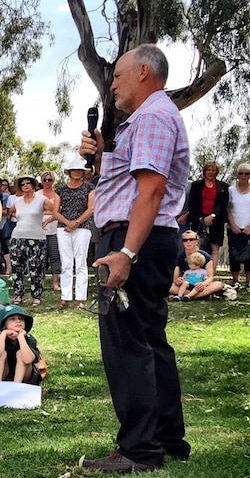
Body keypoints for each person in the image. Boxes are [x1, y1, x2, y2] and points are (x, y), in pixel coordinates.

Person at [79, 44, 190, 472]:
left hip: (135, 240)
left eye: (119, 76)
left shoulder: (153, 117)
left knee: (128, 344)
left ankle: (139, 449)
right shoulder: (147, 120)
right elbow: (130, 184)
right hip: (144, 239)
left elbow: (151, 192)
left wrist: (126, 252)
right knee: (149, 338)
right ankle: (165, 439)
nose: (113, 84)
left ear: (144, 71)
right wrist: (105, 151)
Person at [53, 158, 95, 309]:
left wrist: (76, 223)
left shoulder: (90, 188)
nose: (77, 172)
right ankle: (65, 297)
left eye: (80, 170)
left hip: (82, 228)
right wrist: (67, 223)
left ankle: (80, 298)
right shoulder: (60, 190)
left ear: (83, 172)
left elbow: (91, 209)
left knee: (81, 262)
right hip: (63, 228)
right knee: (66, 263)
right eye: (74, 170)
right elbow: (55, 211)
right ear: (69, 172)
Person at [8, 175, 55, 306]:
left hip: (37, 238)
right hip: (17, 237)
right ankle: (18, 295)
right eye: (22, 184)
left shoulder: (41, 200)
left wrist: (47, 221)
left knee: (36, 268)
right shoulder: (17, 202)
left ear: (33, 185)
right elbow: (9, 213)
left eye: (28, 183)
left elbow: (57, 211)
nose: (26, 186)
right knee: (17, 268)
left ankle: (37, 296)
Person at [187, 162, 230, 264]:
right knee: (196, 246)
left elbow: (223, 204)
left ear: (217, 172)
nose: (211, 172)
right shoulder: (196, 185)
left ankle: (211, 275)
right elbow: (193, 203)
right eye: (209, 170)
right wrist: (202, 218)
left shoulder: (223, 186)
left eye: (213, 170)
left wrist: (213, 215)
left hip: (216, 221)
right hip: (199, 221)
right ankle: (196, 272)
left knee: (215, 248)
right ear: (205, 171)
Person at [168, 230, 226, 301]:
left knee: (218, 284)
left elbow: (210, 277)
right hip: (185, 285)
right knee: (169, 286)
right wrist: (178, 280)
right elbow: (175, 278)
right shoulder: (179, 258)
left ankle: (186, 296)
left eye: (191, 239)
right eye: (185, 240)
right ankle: (199, 296)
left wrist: (203, 284)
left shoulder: (205, 256)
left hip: (201, 285)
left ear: (197, 241)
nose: (188, 242)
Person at [0, 304, 41, 385]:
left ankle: (16, 386)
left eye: (21, 319)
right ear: (4, 325)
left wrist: (21, 337)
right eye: (12, 319)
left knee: (20, 353)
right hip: (6, 374)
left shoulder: (29, 338)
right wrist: (3, 334)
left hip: (26, 378)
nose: (18, 321)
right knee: (2, 354)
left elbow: (28, 360)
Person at [227, 163, 250, 291]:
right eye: (241, 173)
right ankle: (236, 281)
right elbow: (228, 209)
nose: (243, 176)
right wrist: (232, 224)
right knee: (234, 254)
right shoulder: (230, 190)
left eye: (246, 173)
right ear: (237, 175)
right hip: (234, 227)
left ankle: (249, 282)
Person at [39, 171, 61, 291]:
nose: (47, 182)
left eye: (50, 179)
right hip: (39, 230)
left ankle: (55, 283)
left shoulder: (58, 194)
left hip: (55, 229)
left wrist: (50, 214)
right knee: (40, 258)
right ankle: (40, 282)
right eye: (45, 180)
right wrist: (53, 212)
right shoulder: (37, 194)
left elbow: (60, 211)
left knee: (55, 256)